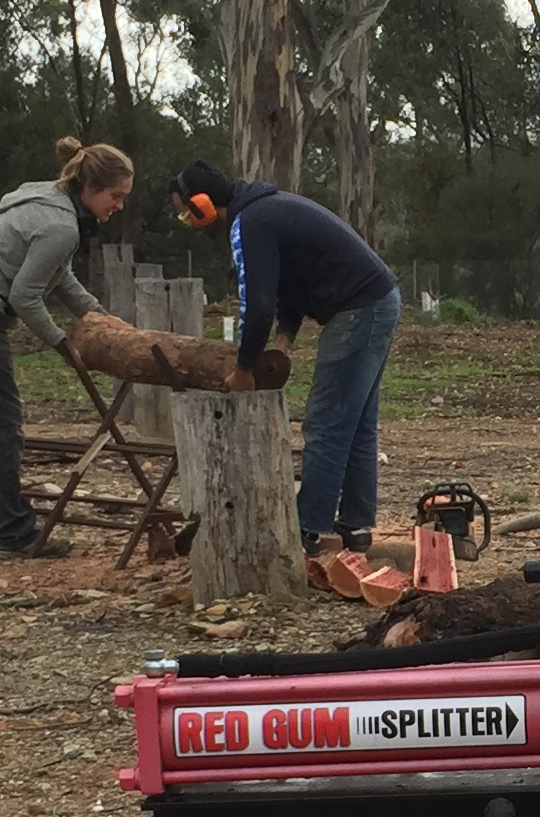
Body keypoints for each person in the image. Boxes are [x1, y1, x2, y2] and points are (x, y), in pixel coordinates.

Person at [169, 160, 402, 553]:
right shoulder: (264, 211)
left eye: (186, 214)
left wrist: (244, 369)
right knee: (356, 420)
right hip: (377, 301)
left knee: (326, 422)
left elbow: (257, 305)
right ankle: (355, 526)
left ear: (203, 205)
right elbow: (287, 287)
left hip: (359, 309)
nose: (189, 223)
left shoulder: (250, 222)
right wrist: (283, 341)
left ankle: (307, 529)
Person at [0, 138, 135, 557]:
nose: (119, 205)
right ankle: (14, 533)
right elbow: (25, 296)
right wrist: (62, 343)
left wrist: (99, 317)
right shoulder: (61, 226)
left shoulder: (48, 201)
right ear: (91, 187)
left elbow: (60, 276)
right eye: (115, 196)